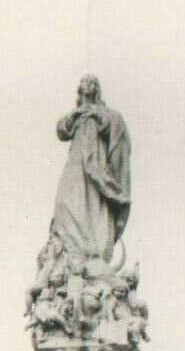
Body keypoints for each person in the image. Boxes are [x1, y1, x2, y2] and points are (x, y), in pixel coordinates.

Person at [51, 76, 131, 264]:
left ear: (96, 89)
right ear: (79, 88)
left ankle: (92, 251)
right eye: (84, 81)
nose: (87, 84)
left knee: (94, 203)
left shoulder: (104, 112)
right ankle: (70, 251)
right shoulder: (75, 114)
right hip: (75, 162)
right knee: (65, 202)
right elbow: (61, 130)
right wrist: (76, 114)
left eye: (91, 82)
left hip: (95, 165)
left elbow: (116, 126)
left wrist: (96, 114)